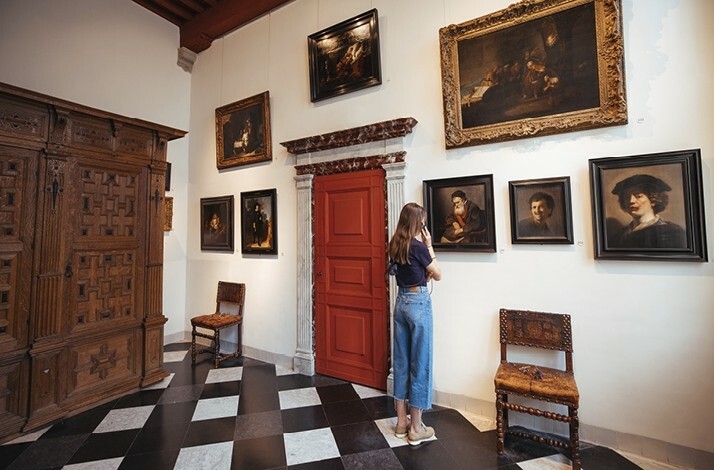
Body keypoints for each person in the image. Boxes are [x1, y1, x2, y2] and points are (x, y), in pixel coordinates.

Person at [388, 202, 442, 446]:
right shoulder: (419, 246)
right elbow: (438, 273)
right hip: (418, 302)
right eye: (422, 221)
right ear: (417, 222)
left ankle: (401, 423)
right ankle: (416, 428)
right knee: (419, 363)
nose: (424, 225)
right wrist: (430, 246)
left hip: (400, 303)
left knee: (400, 362)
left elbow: (412, 271)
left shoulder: (396, 243)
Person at [610, 174, 686, 248]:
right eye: (627, 197)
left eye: (638, 196)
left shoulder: (672, 233)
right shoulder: (619, 236)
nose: (631, 201)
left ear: (653, 200)